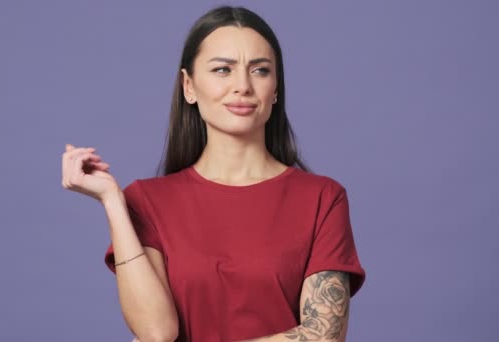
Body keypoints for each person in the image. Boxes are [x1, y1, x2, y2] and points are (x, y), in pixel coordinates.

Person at [61, 5, 365, 342]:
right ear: (188, 86)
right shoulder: (146, 201)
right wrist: (112, 202)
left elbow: (324, 336)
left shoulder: (322, 198)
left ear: (276, 89)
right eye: (223, 69)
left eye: (260, 71)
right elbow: (156, 332)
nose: (243, 86)